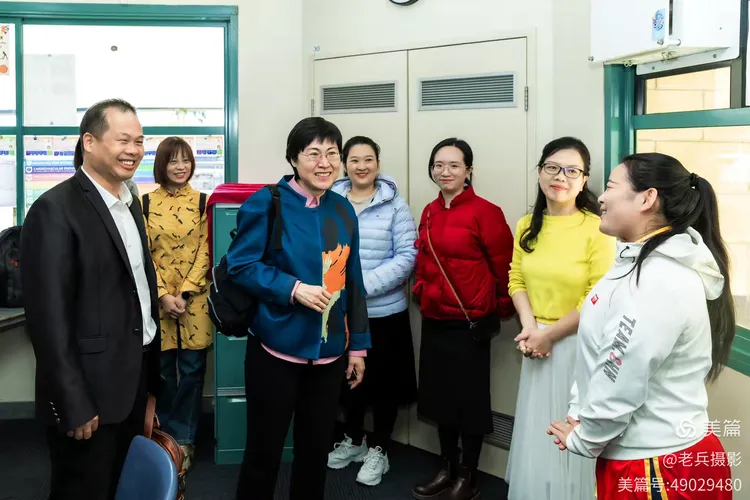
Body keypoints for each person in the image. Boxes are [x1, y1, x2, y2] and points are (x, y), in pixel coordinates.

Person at [548, 153, 736, 500]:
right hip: (645, 457)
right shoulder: (634, 261)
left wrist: (586, 436)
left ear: (647, 198)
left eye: (610, 187)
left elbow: (621, 374)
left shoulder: (657, 280)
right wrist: (581, 413)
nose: (601, 197)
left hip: (660, 467)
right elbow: (600, 354)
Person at [21, 98, 160, 500]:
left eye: (139, 141)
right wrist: (72, 401)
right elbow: (48, 321)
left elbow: (135, 290)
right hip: (88, 394)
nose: (133, 150)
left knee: (124, 486)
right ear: (89, 142)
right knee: (83, 489)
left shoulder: (130, 203)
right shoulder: (54, 209)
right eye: (122, 140)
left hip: (133, 382)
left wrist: (151, 383)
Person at [227, 117, 372, 500]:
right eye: (313, 154)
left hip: (329, 355)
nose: (325, 163)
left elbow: (353, 281)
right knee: (264, 453)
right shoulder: (267, 202)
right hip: (276, 350)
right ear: (293, 158)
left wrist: (357, 347)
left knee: (314, 454)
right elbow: (241, 265)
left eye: (332, 154)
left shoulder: (343, 209)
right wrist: (292, 289)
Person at [505, 137, 615, 500]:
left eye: (571, 171)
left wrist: (549, 335)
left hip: (576, 346)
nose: (560, 177)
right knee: (538, 431)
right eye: (552, 168)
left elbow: (597, 297)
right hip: (535, 341)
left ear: (584, 180)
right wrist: (530, 327)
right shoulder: (526, 225)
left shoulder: (598, 229)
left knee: (571, 433)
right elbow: (516, 279)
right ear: (539, 172)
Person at [412, 138, 516, 500]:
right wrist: (422, 291)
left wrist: (499, 308)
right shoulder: (429, 211)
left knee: (469, 403)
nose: (445, 172)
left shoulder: (486, 212)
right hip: (435, 319)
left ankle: (468, 475)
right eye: (438, 165)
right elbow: (423, 261)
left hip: (470, 325)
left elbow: (505, 268)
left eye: (454, 165)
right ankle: (448, 468)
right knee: (440, 400)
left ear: (468, 170)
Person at [329, 136, 418, 486]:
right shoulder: (331, 201)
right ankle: (354, 440)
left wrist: (359, 287)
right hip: (341, 314)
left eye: (368, 159)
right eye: (354, 160)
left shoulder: (395, 205)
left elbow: (407, 257)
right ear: (344, 165)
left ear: (378, 164)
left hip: (384, 313)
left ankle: (379, 448)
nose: (361, 166)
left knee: (384, 386)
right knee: (349, 383)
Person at [143, 137, 212, 472]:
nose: (181, 167)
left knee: (192, 372)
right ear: (162, 165)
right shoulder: (144, 203)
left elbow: (206, 252)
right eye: (173, 161)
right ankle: (163, 437)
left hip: (194, 303)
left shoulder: (203, 202)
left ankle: (185, 440)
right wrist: (162, 295)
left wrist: (183, 294)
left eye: (186, 160)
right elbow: (142, 256)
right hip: (157, 303)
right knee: (162, 373)